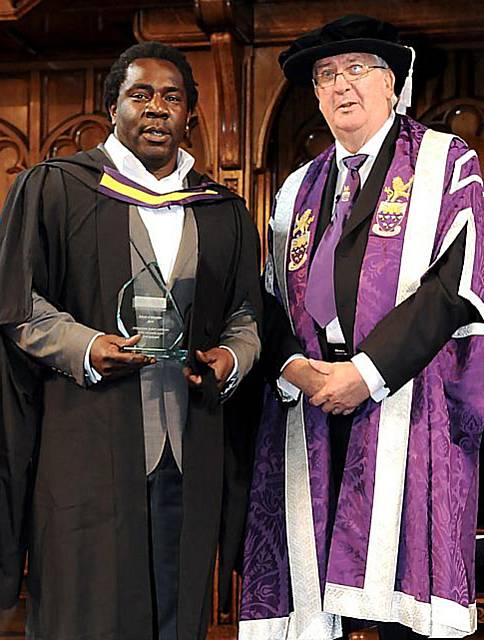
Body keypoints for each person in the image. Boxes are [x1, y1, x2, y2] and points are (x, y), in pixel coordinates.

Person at [0, 42, 262, 640]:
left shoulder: (222, 210)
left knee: (177, 608)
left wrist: (231, 358)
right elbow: (18, 303)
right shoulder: (56, 189)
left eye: (172, 97)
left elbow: (246, 316)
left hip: (189, 442)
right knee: (86, 606)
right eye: (139, 94)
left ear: (190, 113)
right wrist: (84, 347)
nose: (156, 109)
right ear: (112, 107)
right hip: (86, 443)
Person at [239, 14, 484, 640]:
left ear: (391, 82)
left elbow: (455, 284)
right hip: (311, 408)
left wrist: (366, 374)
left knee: (404, 607)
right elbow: (268, 296)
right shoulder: (298, 187)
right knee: (322, 596)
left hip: (406, 402)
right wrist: (293, 365)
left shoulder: (444, 162)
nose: (340, 86)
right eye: (326, 76)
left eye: (356, 70)